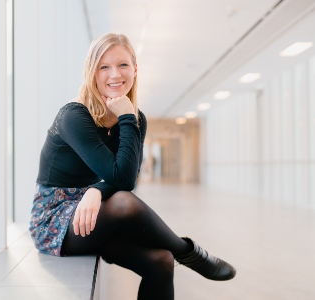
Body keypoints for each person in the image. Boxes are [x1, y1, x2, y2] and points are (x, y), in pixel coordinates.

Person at [29, 33, 235, 299]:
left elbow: (129, 176)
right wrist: (126, 115)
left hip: (98, 210)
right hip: (57, 219)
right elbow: (123, 182)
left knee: (161, 261)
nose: (115, 74)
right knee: (125, 202)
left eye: (123, 65)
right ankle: (189, 252)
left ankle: (181, 254)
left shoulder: (136, 119)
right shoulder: (74, 116)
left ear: (135, 69)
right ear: (92, 73)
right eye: (104, 67)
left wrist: (96, 190)